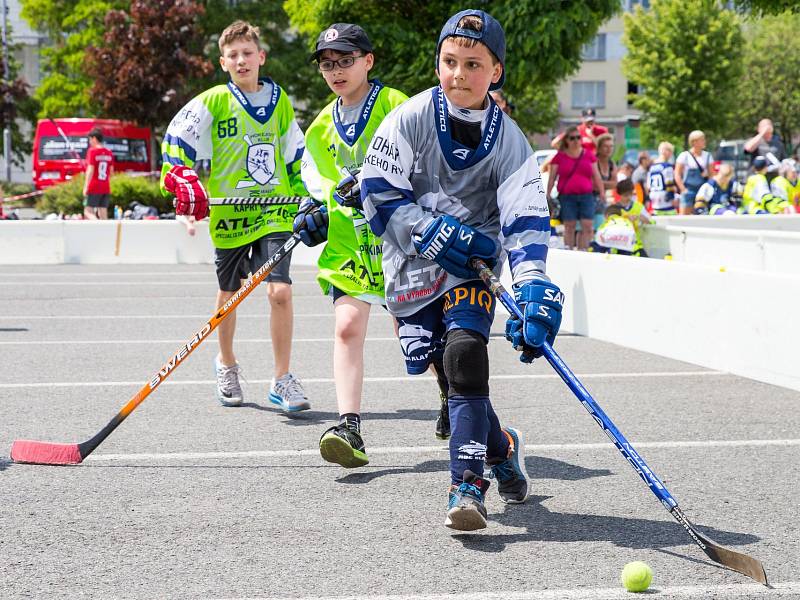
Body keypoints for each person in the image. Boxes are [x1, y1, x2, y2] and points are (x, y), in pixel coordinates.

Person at [360, 9, 563, 532]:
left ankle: (466, 486)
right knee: (446, 374)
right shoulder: (408, 118)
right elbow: (377, 192)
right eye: (449, 62)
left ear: (495, 71)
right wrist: (422, 229)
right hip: (409, 267)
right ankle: (502, 446)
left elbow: (526, 221)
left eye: (472, 64)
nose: (458, 74)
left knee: (467, 356)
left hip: (473, 266)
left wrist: (535, 287)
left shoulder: (511, 140)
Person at [160, 20, 311, 412]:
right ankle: (225, 363)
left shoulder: (280, 100)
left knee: (280, 291)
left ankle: (282, 378)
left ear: (261, 57)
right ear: (223, 62)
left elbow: (294, 153)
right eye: (233, 55)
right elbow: (177, 141)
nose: (242, 60)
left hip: (276, 211)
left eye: (248, 53)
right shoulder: (211, 101)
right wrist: (182, 177)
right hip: (230, 215)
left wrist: (308, 196)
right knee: (230, 295)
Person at [292, 23, 409, 468]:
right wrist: (313, 212)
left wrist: (376, 185)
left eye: (345, 60)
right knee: (346, 328)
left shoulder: (398, 107)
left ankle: (450, 396)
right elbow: (317, 182)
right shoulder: (321, 126)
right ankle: (350, 427)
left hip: (402, 243)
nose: (336, 70)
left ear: (368, 61)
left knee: (414, 339)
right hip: (351, 248)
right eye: (327, 63)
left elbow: (421, 164)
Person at [547, 126, 604, 250]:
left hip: (587, 195)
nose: (576, 140)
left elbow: (597, 176)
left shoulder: (588, 155)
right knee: (569, 225)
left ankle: (585, 250)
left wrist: (602, 192)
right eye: (572, 138)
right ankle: (569, 250)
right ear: (566, 140)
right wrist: (548, 194)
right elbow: (552, 177)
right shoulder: (559, 156)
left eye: (579, 137)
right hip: (567, 196)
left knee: (587, 225)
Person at [675, 130, 713, 215]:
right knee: (684, 216)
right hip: (688, 190)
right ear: (694, 142)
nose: (704, 142)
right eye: (702, 140)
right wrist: (683, 189)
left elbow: (711, 175)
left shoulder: (708, 156)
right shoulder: (684, 155)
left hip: (702, 191)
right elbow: (677, 174)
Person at [82, 128, 114, 220]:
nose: (90, 142)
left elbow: (90, 170)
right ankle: (105, 232)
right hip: (105, 186)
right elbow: (111, 172)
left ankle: (97, 224)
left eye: (90, 139)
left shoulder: (92, 151)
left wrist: (86, 186)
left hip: (94, 186)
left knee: (88, 211)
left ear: (94, 138)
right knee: (103, 213)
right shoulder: (109, 152)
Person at [646, 141, 677, 215]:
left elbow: (648, 185)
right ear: (665, 151)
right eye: (670, 151)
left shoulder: (651, 167)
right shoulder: (667, 166)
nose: (671, 154)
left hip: (654, 196)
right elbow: (669, 184)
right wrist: (671, 197)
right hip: (665, 197)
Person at [594, 133, 617, 226]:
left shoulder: (611, 164)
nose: (609, 149)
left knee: (600, 227)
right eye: (605, 146)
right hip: (588, 199)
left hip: (602, 201)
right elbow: (592, 184)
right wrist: (605, 184)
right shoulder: (593, 161)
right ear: (599, 148)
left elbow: (615, 184)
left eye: (611, 146)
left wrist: (599, 183)